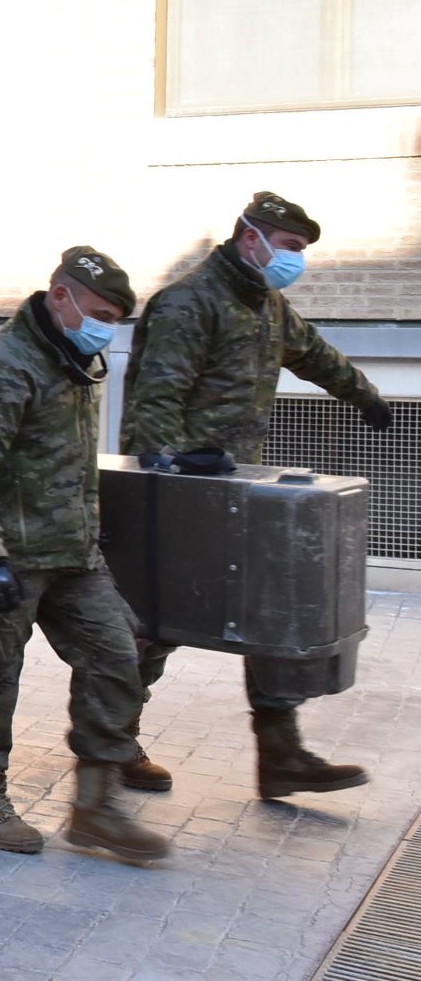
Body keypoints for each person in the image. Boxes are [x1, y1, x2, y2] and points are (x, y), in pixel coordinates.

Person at [120, 191, 392, 799]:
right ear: (252, 238)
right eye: (291, 247)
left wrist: (367, 397)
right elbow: (155, 402)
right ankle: (111, 741)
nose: (296, 260)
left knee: (269, 611)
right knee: (154, 623)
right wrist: (163, 483)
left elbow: (314, 354)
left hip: (244, 487)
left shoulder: (266, 304)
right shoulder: (190, 302)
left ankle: (280, 753)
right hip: (182, 490)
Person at [0, 245, 168, 862]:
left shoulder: (75, 360)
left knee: (120, 656)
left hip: (71, 555)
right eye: (98, 311)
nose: (106, 328)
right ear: (58, 295)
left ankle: (96, 807)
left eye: (117, 318)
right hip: (5, 559)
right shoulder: (4, 367)